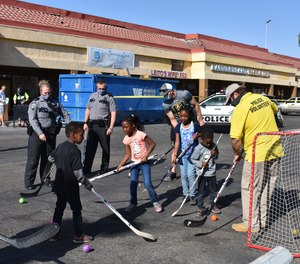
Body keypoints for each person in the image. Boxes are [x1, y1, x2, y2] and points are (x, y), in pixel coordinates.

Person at [225, 83, 282, 232]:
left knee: (250, 188)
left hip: (257, 153)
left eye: (230, 100)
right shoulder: (262, 98)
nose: (231, 103)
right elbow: (276, 110)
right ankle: (262, 221)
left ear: (235, 94)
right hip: (275, 148)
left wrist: (237, 154)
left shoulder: (240, 109)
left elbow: (236, 139)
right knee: (267, 187)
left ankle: (250, 224)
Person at [48, 122, 94, 243]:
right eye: (81, 135)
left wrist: (60, 162)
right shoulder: (75, 150)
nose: (83, 137)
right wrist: (86, 183)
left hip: (59, 184)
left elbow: (50, 158)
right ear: (73, 135)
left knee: (59, 208)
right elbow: (78, 172)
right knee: (76, 209)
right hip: (70, 186)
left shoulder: (61, 146)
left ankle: (54, 233)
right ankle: (79, 235)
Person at [24, 80, 70, 190]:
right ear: (41, 92)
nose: (47, 94)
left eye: (49, 92)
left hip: (50, 134)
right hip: (37, 134)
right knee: (33, 159)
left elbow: (65, 114)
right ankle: (29, 182)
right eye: (45, 93)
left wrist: (70, 125)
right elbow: (32, 120)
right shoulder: (35, 103)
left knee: (48, 158)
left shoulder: (55, 103)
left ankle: (45, 178)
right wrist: (40, 133)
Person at [117, 114, 163, 213]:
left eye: (126, 127)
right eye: (123, 128)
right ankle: (133, 204)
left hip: (144, 164)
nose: (124, 129)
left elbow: (152, 144)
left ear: (133, 125)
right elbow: (128, 154)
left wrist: (146, 155)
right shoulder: (126, 139)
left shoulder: (140, 134)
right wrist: (121, 165)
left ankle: (155, 202)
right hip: (134, 164)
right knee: (133, 183)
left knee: (147, 183)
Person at [160, 83, 205, 181]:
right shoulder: (166, 104)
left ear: (172, 90)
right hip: (178, 125)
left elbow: (196, 104)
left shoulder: (184, 94)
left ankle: (198, 166)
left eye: (167, 93)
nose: (166, 96)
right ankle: (173, 171)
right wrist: (179, 130)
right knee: (174, 147)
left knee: (195, 145)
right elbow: (172, 119)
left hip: (191, 122)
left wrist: (200, 119)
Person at [83, 79, 117, 175]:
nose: (101, 90)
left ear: (106, 88)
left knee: (105, 149)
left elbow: (113, 113)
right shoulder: (92, 96)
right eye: (99, 88)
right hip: (92, 126)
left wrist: (111, 127)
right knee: (90, 149)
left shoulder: (109, 98)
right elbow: (87, 110)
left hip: (103, 127)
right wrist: (85, 122)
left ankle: (104, 169)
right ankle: (86, 169)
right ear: (96, 87)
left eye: (103, 88)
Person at [173, 106, 201, 205]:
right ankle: (185, 194)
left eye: (185, 116)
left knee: (191, 174)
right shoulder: (178, 127)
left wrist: (197, 136)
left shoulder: (195, 125)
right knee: (184, 175)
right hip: (182, 155)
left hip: (193, 155)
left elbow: (202, 135)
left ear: (189, 116)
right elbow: (177, 142)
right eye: (181, 116)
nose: (183, 118)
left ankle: (193, 194)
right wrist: (175, 155)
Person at [190, 127, 220, 217]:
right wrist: (200, 164)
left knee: (213, 191)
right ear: (201, 139)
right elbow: (193, 159)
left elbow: (217, 157)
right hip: (201, 174)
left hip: (212, 173)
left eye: (210, 142)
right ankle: (200, 207)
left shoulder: (214, 146)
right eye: (206, 142)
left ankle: (213, 205)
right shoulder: (198, 148)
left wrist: (214, 155)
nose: (208, 144)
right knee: (201, 191)